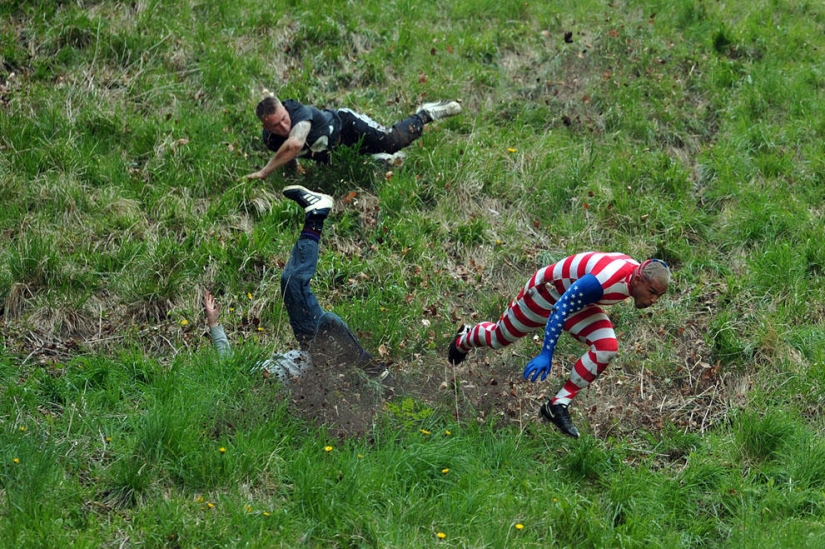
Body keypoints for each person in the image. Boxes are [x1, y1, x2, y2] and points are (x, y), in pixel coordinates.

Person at [447, 252, 670, 438]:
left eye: (658, 296)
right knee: (499, 338)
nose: (653, 301)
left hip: (576, 301)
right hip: (545, 293)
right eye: (652, 292)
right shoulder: (605, 279)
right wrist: (546, 353)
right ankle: (465, 338)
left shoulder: (632, 276)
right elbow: (560, 309)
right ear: (639, 279)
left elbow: (571, 303)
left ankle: (556, 406)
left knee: (607, 347)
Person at [204, 185, 392, 384]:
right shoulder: (252, 393)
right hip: (321, 367)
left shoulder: (236, 378)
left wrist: (214, 323)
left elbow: (226, 364)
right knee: (329, 321)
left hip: (310, 350)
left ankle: (316, 215)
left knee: (290, 283)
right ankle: (373, 370)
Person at [245, 95, 462, 180]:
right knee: (346, 172)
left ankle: (426, 113)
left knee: (393, 141)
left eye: (284, 118)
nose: (284, 125)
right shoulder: (271, 140)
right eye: (276, 125)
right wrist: (292, 175)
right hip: (330, 153)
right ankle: (376, 158)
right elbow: (287, 154)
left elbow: (294, 144)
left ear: (285, 109)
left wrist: (265, 172)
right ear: (265, 126)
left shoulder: (298, 112)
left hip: (348, 127)